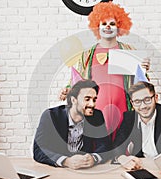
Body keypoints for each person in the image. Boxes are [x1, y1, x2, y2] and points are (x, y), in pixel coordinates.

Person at [60, 2, 150, 142]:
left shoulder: (129, 51)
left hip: (122, 105)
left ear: (120, 27)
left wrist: (143, 69)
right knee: (99, 142)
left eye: (112, 24)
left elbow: (141, 83)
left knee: (122, 141)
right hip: (96, 106)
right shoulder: (87, 54)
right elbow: (78, 79)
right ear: (97, 26)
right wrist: (67, 89)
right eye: (104, 23)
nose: (108, 26)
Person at [112, 81, 161, 177]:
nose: (143, 106)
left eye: (147, 99)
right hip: (143, 167)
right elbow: (117, 145)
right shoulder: (129, 118)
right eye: (137, 101)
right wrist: (122, 158)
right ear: (132, 104)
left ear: (156, 98)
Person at [33, 80, 110, 170]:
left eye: (94, 99)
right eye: (87, 99)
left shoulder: (96, 116)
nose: (92, 104)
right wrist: (66, 161)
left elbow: (106, 146)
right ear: (73, 100)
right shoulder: (50, 116)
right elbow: (38, 149)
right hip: (57, 171)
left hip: (86, 171)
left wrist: (94, 158)